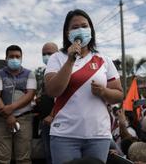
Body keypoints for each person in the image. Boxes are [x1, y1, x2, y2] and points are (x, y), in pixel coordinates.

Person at [44, 9, 123, 164]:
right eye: (74, 27)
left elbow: (119, 95)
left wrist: (103, 92)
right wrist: (70, 61)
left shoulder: (103, 60)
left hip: (98, 136)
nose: (80, 29)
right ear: (67, 33)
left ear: (91, 30)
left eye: (84, 26)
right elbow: (52, 91)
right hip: (64, 135)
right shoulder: (57, 58)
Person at [0, 45, 36, 164]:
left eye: (17, 56)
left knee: (24, 159)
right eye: (11, 56)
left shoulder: (29, 74)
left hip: (24, 119)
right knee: (1, 159)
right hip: (1, 120)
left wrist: (10, 108)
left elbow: (30, 95)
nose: (15, 59)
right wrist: (8, 116)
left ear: (21, 58)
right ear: (6, 58)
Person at [34, 42, 58, 164]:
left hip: (57, 121)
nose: (46, 56)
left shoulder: (62, 70)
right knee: (48, 155)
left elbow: (64, 97)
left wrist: (52, 115)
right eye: (44, 54)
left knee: (57, 157)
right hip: (46, 122)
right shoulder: (46, 72)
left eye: (50, 53)